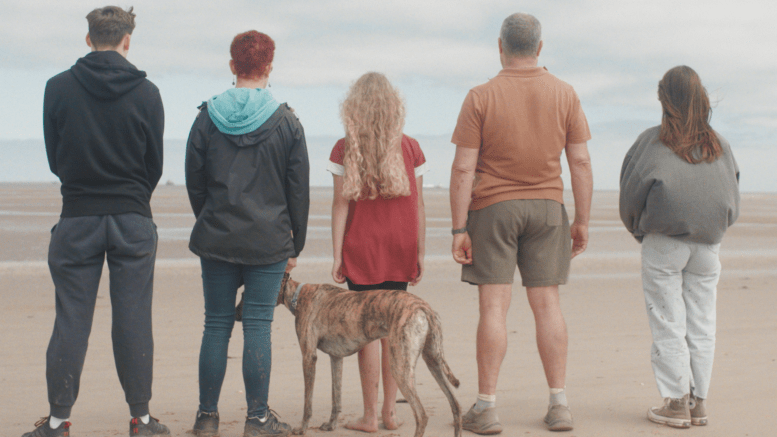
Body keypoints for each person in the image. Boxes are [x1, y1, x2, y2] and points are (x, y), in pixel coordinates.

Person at [24, 6, 167, 437]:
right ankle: (140, 420)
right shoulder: (148, 93)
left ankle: (56, 421)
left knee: (71, 319)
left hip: (78, 216)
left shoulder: (57, 88)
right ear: (127, 41)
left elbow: (55, 156)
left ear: (89, 39)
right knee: (133, 318)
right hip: (132, 216)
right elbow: (154, 163)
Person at [449, 12, 593, 434]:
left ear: (500, 46)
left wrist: (459, 229)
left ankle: (487, 406)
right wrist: (581, 220)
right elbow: (580, 161)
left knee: (494, 306)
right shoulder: (565, 93)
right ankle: (559, 404)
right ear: (540, 48)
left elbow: (462, 169)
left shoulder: (480, 96)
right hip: (548, 207)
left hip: (493, 208)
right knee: (547, 305)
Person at [185, 30, 309, 437]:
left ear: (232, 65)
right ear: (269, 67)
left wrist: (209, 219)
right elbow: (298, 192)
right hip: (269, 240)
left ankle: (207, 417)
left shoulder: (206, 117)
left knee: (216, 324)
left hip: (217, 236)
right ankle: (257, 419)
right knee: (257, 325)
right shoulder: (287, 121)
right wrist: (296, 243)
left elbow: (194, 182)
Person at [619, 66, 740, 429]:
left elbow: (630, 193)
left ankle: (675, 403)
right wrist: (715, 229)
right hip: (709, 244)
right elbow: (732, 197)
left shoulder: (651, 142)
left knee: (668, 321)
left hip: (664, 242)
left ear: (664, 100)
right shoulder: (720, 144)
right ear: (701, 97)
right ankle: (698, 401)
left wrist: (640, 231)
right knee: (702, 322)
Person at [328, 72, 427, 432]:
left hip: (362, 246)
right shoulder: (411, 147)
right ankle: (390, 413)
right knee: (391, 331)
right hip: (401, 245)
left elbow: (340, 205)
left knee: (366, 331)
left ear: (353, 108)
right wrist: (420, 251)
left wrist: (337, 255)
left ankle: (369, 416)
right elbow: (419, 206)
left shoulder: (344, 147)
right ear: (393, 106)